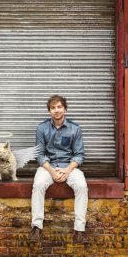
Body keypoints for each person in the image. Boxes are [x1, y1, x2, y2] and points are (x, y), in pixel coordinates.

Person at [30, 95, 88, 244]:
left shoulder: (75, 129)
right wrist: (52, 171)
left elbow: (79, 155)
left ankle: (79, 230)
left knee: (81, 186)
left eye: (59, 107)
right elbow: (40, 155)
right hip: (48, 167)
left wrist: (67, 171)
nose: (56, 110)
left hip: (68, 166)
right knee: (38, 185)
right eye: (53, 108)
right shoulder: (41, 128)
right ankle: (36, 227)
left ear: (65, 109)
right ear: (49, 111)